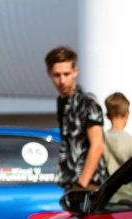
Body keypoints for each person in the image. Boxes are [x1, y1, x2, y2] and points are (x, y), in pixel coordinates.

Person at [45, 46, 107, 190]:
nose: (62, 80)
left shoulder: (87, 102)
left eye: (66, 74)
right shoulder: (62, 102)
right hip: (71, 183)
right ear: (48, 73)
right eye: (57, 75)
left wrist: (81, 184)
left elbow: (97, 146)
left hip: (88, 185)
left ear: (75, 72)